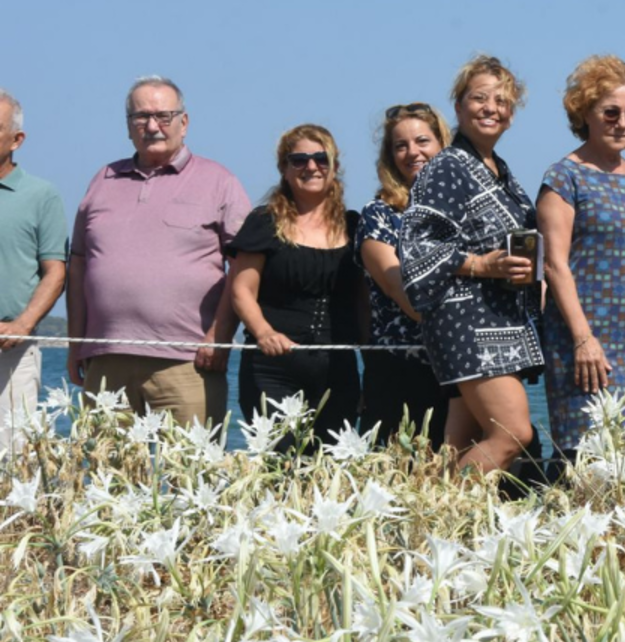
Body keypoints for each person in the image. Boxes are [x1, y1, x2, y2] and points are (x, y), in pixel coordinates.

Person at [68, 76, 251, 426]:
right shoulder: (102, 179)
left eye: (163, 116)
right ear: (128, 127)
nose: (152, 126)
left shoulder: (219, 181)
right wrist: (75, 342)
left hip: (188, 363)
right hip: (106, 360)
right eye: (141, 117)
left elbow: (243, 267)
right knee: (108, 477)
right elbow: (77, 266)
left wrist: (220, 336)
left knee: (192, 477)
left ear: (184, 123)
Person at [401, 55, 544, 478]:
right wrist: (482, 264)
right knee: (514, 435)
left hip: (500, 321)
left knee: (455, 446)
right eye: (479, 98)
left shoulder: (501, 172)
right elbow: (417, 246)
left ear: (512, 115)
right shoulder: (445, 166)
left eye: (501, 101)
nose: (490, 108)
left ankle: (426, 528)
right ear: (459, 106)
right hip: (465, 322)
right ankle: (440, 514)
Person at [538, 55, 625, 458]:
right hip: (583, 343)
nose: (622, 123)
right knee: (584, 455)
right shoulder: (563, 177)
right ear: (585, 112)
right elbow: (555, 265)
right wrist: (584, 340)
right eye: (611, 113)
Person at [229, 124, 362, 445]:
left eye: (321, 158)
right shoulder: (264, 221)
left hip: (337, 368)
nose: (311, 166)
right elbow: (241, 290)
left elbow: (362, 301)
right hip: (272, 367)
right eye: (299, 160)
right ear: (284, 169)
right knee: (281, 466)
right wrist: (264, 332)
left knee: (330, 472)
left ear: (334, 168)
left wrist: (371, 365)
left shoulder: (355, 225)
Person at [357, 103, 452, 447]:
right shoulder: (379, 215)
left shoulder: (468, 211)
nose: (413, 152)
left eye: (423, 141)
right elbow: (409, 299)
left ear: (443, 144)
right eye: (401, 145)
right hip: (399, 372)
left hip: (459, 370)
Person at [0, 88, 66, 452]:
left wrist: (23, 324)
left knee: (11, 460)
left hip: (12, 351)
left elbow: (56, 272)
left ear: (17, 139)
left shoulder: (42, 195)